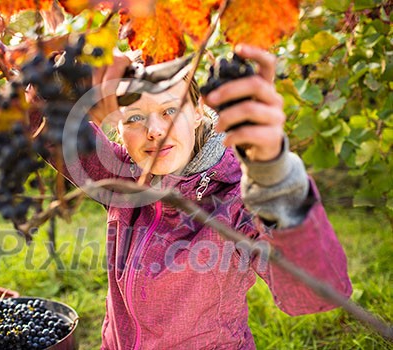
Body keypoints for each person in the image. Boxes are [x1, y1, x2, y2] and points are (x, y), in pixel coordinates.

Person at [51, 44, 353, 349]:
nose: (155, 130)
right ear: (116, 126)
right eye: (133, 118)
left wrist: (275, 175)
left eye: (170, 110)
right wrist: (52, 68)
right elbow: (51, 125)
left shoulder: (234, 199)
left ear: (197, 112)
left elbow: (315, 293)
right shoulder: (123, 180)